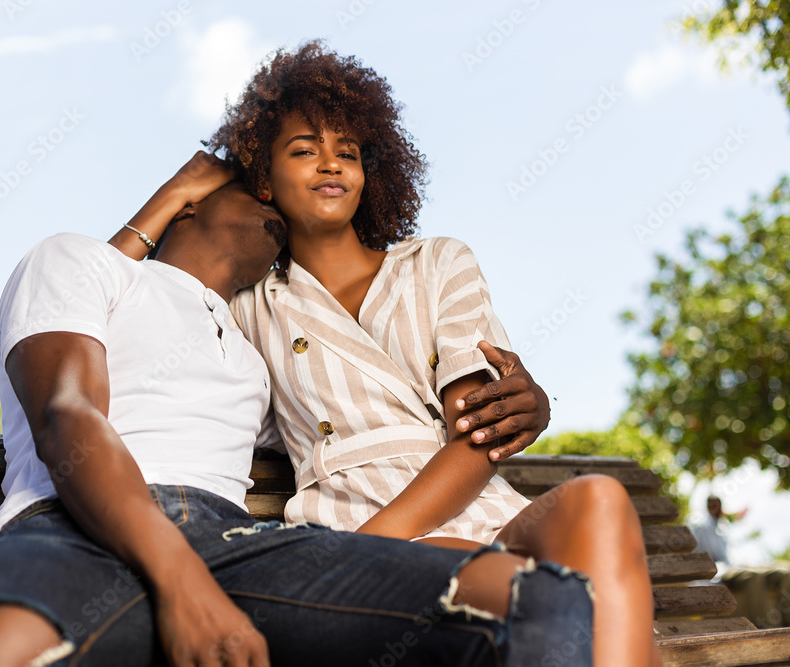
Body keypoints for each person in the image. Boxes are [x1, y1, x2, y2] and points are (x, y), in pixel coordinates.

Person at [0, 161, 594, 666]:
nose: (276, 204)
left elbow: (370, 408)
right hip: (73, 521)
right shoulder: (80, 262)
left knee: (541, 601)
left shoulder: (251, 349)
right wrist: (180, 579)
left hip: (235, 544)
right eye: (253, 186)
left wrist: (526, 399)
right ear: (191, 205)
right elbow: (68, 414)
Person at [117, 41, 659, 667]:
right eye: (303, 150)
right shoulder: (250, 303)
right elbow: (104, 309)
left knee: (601, 500)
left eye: (347, 152)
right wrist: (172, 194)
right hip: (348, 532)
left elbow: (479, 434)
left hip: (470, 509)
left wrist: (387, 538)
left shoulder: (438, 263)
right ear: (262, 177)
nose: (331, 164)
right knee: (564, 618)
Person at [690, 494, 748, 565]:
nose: (719, 509)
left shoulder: (719, 527)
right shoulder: (702, 526)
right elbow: (712, 555)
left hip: (722, 566)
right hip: (709, 568)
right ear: (709, 507)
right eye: (715, 506)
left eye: (719, 506)